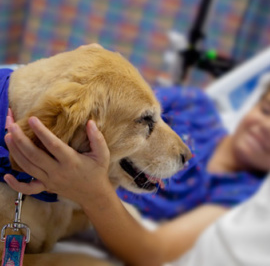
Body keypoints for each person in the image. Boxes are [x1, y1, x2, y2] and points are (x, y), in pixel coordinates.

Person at [3, 82, 270, 265]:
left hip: (97, 215)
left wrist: (93, 193)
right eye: (266, 111)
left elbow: (154, 251)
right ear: (253, 105)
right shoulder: (196, 106)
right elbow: (120, 103)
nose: (267, 127)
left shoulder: (241, 196)